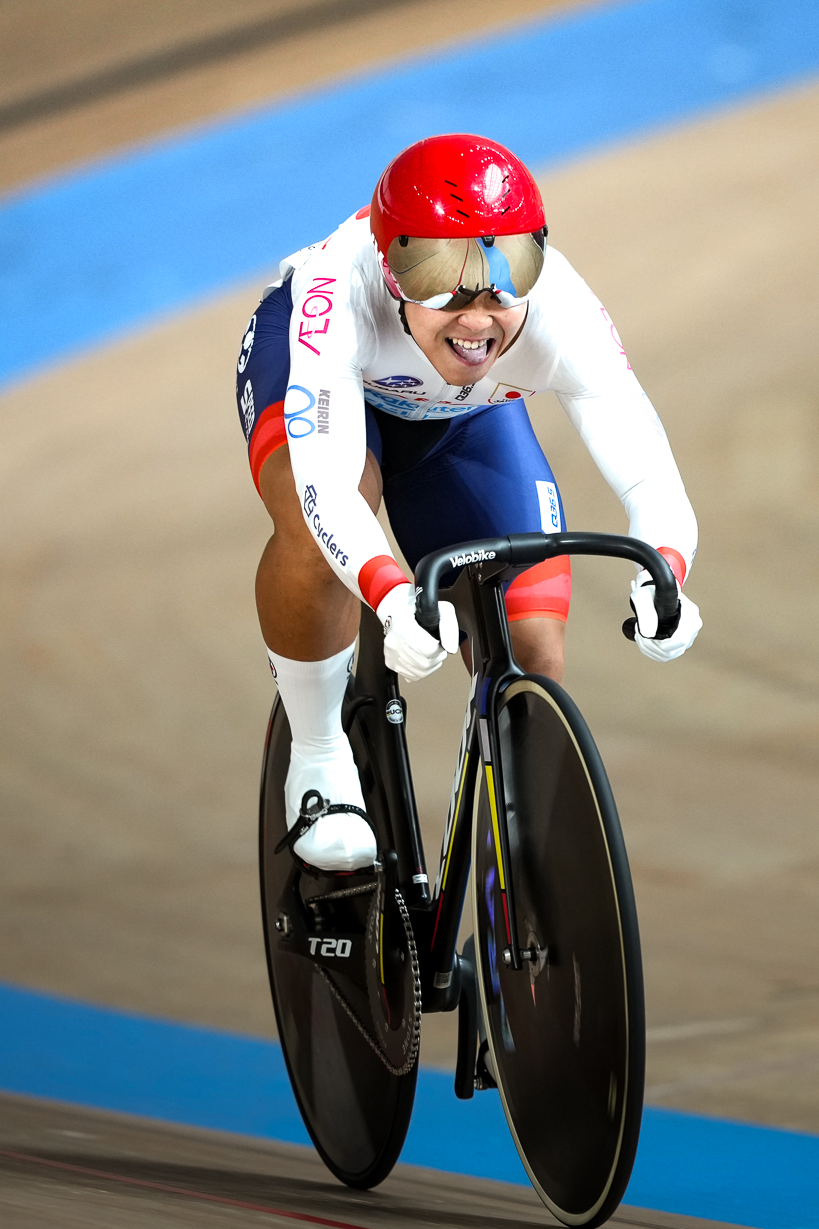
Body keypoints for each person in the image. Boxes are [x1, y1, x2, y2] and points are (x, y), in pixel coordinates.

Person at [238, 133, 701, 871]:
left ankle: (515, 882)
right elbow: (326, 485)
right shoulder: (338, 296)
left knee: (532, 651)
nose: (477, 313)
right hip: (327, 391)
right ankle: (319, 758)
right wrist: (392, 599)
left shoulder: (560, 312)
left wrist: (666, 568)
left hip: (458, 414)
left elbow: (648, 469)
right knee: (316, 534)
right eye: (436, 277)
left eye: (506, 270)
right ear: (391, 273)